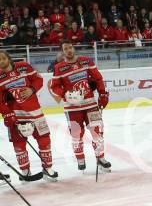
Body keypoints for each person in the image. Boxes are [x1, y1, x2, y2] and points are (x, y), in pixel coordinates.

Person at [49, 40, 111, 171]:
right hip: (72, 108)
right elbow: (54, 87)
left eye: (70, 47)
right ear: (62, 52)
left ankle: (100, 157)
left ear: (73, 47)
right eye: (65, 49)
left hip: (90, 104)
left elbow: (98, 78)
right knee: (76, 134)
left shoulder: (86, 61)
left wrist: (103, 94)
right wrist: (65, 94)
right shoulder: (59, 67)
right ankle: (80, 159)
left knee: (97, 132)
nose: (69, 50)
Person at [0, 50, 58, 181]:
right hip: (16, 115)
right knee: (18, 143)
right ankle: (25, 171)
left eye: (3, 58)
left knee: (44, 139)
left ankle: (47, 168)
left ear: (9, 58)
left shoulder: (23, 66)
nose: (1, 61)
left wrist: (31, 89)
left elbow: (38, 79)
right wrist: (7, 114)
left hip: (34, 112)